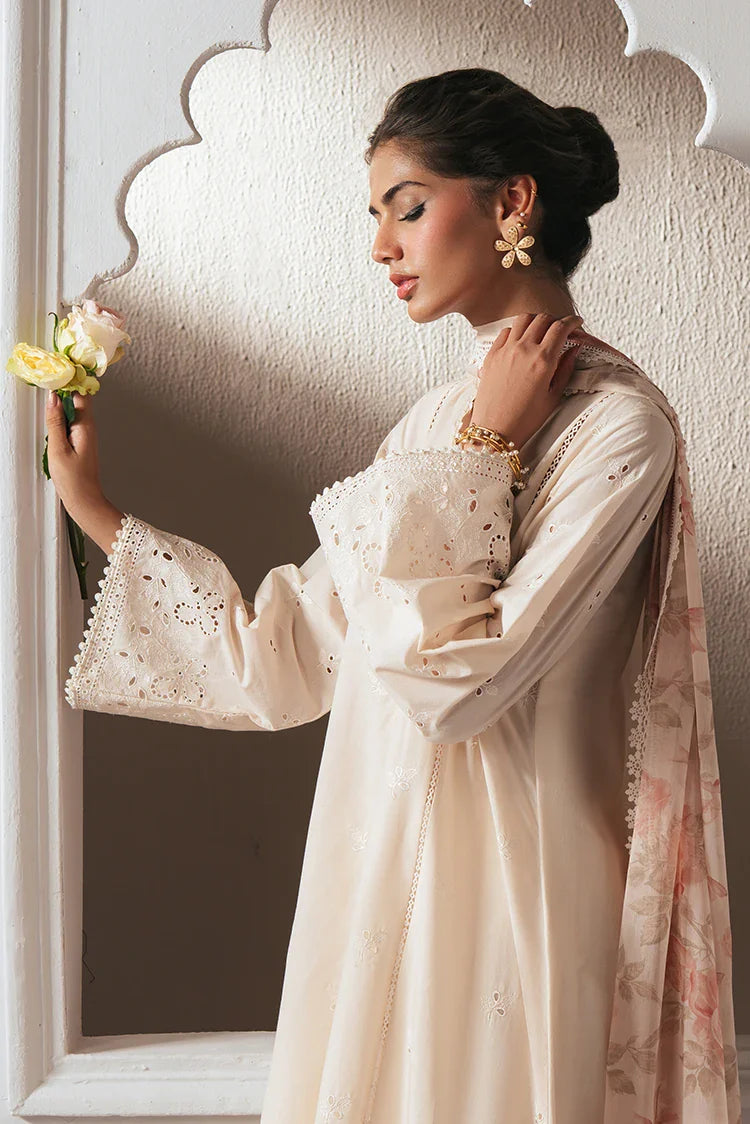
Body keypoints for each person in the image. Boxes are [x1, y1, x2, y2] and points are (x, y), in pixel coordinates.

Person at [46, 68, 740, 1124]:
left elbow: (456, 682)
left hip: (510, 903)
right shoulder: (429, 425)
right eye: (375, 216)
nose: (381, 246)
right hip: (376, 887)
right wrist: (93, 507)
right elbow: (284, 653)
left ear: (512, 202)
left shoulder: (620, 430)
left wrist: (491, 444)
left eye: (407, 208)